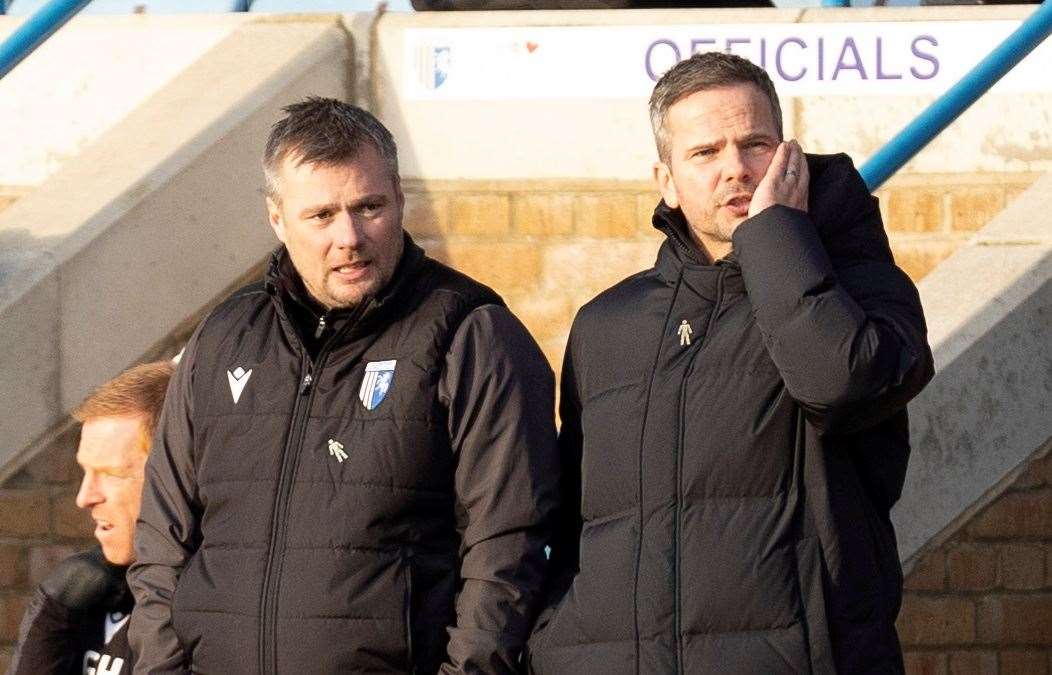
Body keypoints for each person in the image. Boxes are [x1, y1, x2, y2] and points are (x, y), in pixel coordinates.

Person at [528, 52, 934, 674]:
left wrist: (774, 234)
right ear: (664, 179)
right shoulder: (605, 324)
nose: (736, 170)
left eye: (755, 145)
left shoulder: (862, 289)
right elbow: (578, 519)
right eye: (705, 153)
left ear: (789, 156)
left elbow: (841, 383)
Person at [128, 97, 559, 674]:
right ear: (277, 218)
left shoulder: (473, 334)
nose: (349, 236)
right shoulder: (224, 337)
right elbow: (164, 534)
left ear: (401, 198)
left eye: (369, 206)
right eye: (321, 215)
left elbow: (508, 548)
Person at [9, 361, 174, 675]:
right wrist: (50, 622)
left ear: (176, 476)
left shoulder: (215, 618)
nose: (84, 498)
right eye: (86, 472)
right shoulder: (84, 604)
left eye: (111, 474)